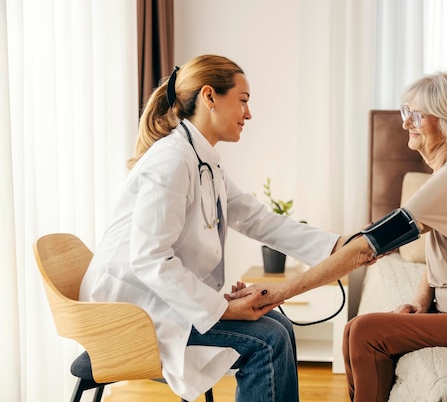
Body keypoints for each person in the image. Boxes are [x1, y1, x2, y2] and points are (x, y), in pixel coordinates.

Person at [231, 71, 447, 402]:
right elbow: (437, 251)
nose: (406, 123)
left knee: (365, 332)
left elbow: (367, 248)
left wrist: (281, 291)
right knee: (353, 329)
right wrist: (422, 302)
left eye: (417, 115)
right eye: (406, 112)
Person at [79, 54, 346, 402]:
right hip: (130, 315)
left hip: (159, 300)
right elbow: (149, 259)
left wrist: (339, 246)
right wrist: (220, 308)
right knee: (269, 341)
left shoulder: (203, 160)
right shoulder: (172, 160)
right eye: (243, 101)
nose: (248, 114)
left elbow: (257, 219)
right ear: (209, 97)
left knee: (280, 326)